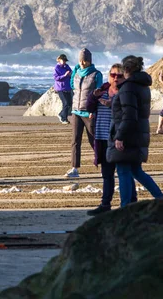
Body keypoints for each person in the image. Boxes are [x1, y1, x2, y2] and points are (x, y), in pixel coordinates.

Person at [107, 56, 163, 207]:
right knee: (136, 170)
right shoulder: (142, 86)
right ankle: (160, 198)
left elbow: (129, 115)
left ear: (126, 70)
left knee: (124, 170)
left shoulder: (128, 87)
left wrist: (119, 136)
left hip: (128, 134)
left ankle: (125, 206)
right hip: (139, 132)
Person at [86, 64, 137, 216]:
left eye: (119, 75)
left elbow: (128, 114)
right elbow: (89, 108)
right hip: (102, 136)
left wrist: (112, 103)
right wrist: (93, 97)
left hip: (118, 138)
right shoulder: (102, 89)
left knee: (125, 173)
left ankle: (130, 203)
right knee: (107, 174)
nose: (115, 78)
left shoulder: (126, 92)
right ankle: (105, 204)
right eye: (113, 75)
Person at [65, 48, 102, 178]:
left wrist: (94, 110)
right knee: (75, 140)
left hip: (89, 112)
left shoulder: (96, 74)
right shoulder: (77, 72)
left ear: (89, 61)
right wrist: (75, 70)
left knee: (94, 140)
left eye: (84, 61)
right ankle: (74, 168)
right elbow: (72, 86)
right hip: (76, 111)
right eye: (80, 60)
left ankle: (104, 164)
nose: (81, 63)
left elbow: (98, 93)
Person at [53, 54, 72, 125]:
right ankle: (64, 118)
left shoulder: (67, 66)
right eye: (63, 60)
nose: (64, 62)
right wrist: (64, 75)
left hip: (67, 87)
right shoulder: (56, 68)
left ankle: (62, 115)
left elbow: (71, 73)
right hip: (60, 88)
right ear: (59, 60)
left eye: (65, 61)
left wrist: (70, 74)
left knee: (69, 103)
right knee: (66, 103)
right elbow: (56, 78)